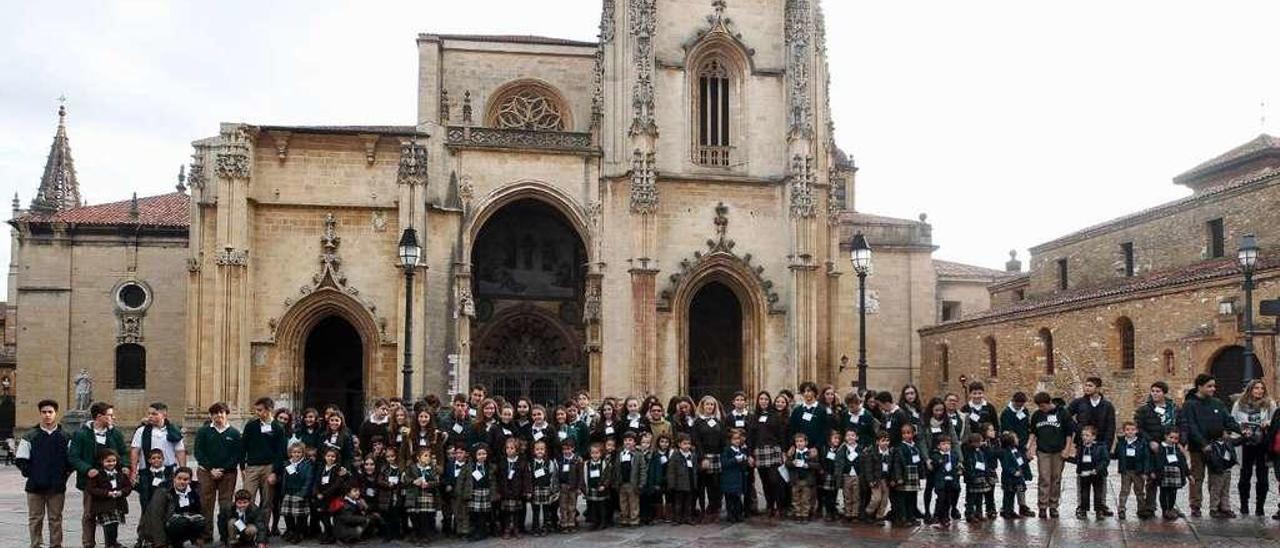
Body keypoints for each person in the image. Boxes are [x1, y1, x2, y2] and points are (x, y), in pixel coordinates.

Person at [69, 401, 131, 548]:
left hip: (112, 479)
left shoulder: (114, 433)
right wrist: (87, 469)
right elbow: (73, 457)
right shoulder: (81, 434)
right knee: (90, 513)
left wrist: (125, 466)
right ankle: (88, 543)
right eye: (109, 415)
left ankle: (111, 542)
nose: (113, 417)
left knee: (112, 511)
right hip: (91, 481)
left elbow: (123, 452)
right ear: (99, 416)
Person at [1180, 373, 1240, 518]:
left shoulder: (1217, 403)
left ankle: (1217, 506)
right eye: (1209, 386)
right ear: (1200, 386)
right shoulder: (1190, 404)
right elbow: (1191, 426)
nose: (1213, 389)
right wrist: (1202, 443)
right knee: (1197, 477)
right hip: (1198, 448)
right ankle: (1195, 506)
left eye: (1214, 386)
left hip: (1217, 448)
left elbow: (1228, 420)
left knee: (1217, 478)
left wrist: (1240, 430)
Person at [18, 399, 71, 548]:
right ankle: (36, 544)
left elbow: (71, 460)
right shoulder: (30, 435)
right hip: (35, 486)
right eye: (44, 412)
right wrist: (33, 474)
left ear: (55, 413)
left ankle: (56, 545)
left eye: (50, 412)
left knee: (55, 519)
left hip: (57, 486)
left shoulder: (65, 435)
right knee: (35, 518)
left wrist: (63, 475)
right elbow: (21, 459)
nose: (47, 415)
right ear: (40, 413)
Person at [1067, 377, 1116, 516]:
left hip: (1100, 444)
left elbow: (1111, 426)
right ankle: (1082, 506)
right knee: (1083, 475)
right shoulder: (1079, 403)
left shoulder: (1107, 405)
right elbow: (1066, 415)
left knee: (1101, 475)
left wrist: (1107, 444)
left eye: (1090, 385)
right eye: (1086, 385)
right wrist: (1077, 428)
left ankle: (1101, 505)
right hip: (1083, 444)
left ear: (1098, 388)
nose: (1087, 388)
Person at [1134, 381, 1177, 519]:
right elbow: (1139, 428)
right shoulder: (1144, 410)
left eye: (1158, 391)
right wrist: (1150, 441)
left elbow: (1181, 424)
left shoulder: (1173, 408)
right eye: (1153, 391)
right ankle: (1150, 506)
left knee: (1169, 478)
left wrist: (1180, 441)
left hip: (1170, 446)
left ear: (1164, 393)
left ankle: (1168, 507)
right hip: (1152, 447)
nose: (1155, 394)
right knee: (1152, 477)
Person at [241, 397, 286, 527]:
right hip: (253, 467)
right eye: (256, 410)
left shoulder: (277, 428)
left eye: (260, 410)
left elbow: (280, 452)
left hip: (269, 468)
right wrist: (242, 467)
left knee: (267, 501)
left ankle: (263, 530)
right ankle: (246, 529)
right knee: (246, 498)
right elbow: (243, 446)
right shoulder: (251, 426)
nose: (257, 412)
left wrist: (275, 472)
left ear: (269, 410)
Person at [1028, 391, 1073, 519]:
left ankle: (1053, 506)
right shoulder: (1037, 415)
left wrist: (1067, 449)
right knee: (1044, 478)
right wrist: (1029, 447)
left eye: (1043, 406)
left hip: (1058, 450)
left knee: (1056, 478)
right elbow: (1033, 432)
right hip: (1043, 451)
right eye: (1039, 407)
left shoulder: (1062, 413)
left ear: (1048, 403)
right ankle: (1042, 506)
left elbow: (1069, 433)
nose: (1042, 409)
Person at [1231, 378, 1273, 516]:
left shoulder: (1269, 404)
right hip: (1245, 443)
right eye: (1256, 388)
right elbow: (1233, 421)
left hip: (1263, 443)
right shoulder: (1239, 404)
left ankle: (1260, 506)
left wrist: (1268, 423)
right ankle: (1244, 505)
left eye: (1262, 388)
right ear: (1250, 390)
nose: (1259, 391)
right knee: (1245, 475)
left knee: (1263, 476)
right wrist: (1241, 429)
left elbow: (1275, 421)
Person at [138, 466, 205, 548]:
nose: (182, 482)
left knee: (199, 521)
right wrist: (160, 543)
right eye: (179, 478)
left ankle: (189, 541)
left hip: (183, 521)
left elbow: (200, 511)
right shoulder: (163, 491)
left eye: (185, 479)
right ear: (174, 478)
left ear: (190, 481)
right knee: (179, 522)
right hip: (166, 524)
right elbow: (156, 518)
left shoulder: (195, 490)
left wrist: (199, 537)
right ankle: (169, 542)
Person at [130, 402, 187, 489]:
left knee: (167, 498)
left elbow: (180, 451)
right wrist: (133, 471)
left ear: (164, 415)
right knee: (146, 499)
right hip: (146, 470)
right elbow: (135, 451)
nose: (150, 416)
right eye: (149, 414)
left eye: (154, 414)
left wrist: (183, 470)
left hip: (168, 470)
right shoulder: (141, 431)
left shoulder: (173, 431)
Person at [87, 449, 133, 548]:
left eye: (113, 461)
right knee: (108, 525)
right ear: (102, 462)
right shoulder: (98, 474)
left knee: (115, 524)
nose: (111, 463)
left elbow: (128, 487)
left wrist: (121, 492)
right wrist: (107, 493)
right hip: (104, 505)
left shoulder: (121, 473)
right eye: (108, 461)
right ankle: (109, 543)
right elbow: (92, 489)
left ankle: (114, 542)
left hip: (118, 503)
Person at [1113, 420, 1150, 520]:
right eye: (1127, 430)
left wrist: (1146, 471)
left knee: (1139, 491)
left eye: (1132, 430)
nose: (1130, 432)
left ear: (1136, 431)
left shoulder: (1142, 442)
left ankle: (1141, 509)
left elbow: (1146, 457)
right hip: (1126, 470)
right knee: (1124, 490)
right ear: (1124, 431)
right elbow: (1116, 454)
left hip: (1138, 471)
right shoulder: (1121, 442)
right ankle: (1121, 509)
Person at [888, 423, 923, 527]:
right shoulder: (900, 448)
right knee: (903, 498)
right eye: (904, 433)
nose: (906, 435)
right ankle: (903, 517)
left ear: (913, 434)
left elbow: (919, 461)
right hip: (904, 474)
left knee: (913, 496)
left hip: (914, 473)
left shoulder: (915, 447)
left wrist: (922, 473)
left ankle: (911, 516)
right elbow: (897, 464)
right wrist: (898, 477)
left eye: (908, 433)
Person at [460, 443, 496, 541]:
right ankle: (475, 530)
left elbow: (493, 481)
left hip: (485, 492)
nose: (482, 456)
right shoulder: (469, 467)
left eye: (484, 454)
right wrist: (461, 493)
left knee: (483, 513)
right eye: (479, 454)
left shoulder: (491, 466)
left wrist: (494, 494)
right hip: (474, 492)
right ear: (475, 455)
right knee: (474, 513)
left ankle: (482, 531)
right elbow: (462, 480)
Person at [1073, 425, 1109, 519]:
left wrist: (1097, 469)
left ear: (1094, 436)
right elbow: (1078, 459)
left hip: (1097, 473)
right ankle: (1084, 510)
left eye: (1087, 435)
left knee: (1098, 493)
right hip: (1084, 473)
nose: (1085, 437)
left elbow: (1105, 460)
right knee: (1084, 493)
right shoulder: (1081, 447)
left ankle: (1099, 510)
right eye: (1083, 435)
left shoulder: (1101, 447)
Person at [405, 447, 440, 542]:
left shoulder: (432, 468)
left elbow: (436, 481)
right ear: (418, 457)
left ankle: (424, 535)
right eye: (425, 456)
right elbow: (405, 479)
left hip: (427, 495)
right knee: (415, 516)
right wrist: (413, 481)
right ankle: (416, 534)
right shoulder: (412, 467)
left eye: (429, 456)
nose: (428, 458)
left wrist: (429, 484)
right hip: (415, 495)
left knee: (425, 516)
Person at [495, 437, 529, 538]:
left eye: (512, 448)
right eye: (507, 448)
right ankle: (506, 529)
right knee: (506, 512)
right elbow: (499, 477)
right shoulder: (502, 462)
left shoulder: (522, 462)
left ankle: (516, 528)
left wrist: (527, 490)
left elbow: (526, 477)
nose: (509, 450)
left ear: (517, 450)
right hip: (505, 490)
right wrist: (498, 490)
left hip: (517, 491)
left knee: (517, 512)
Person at [280, 443, 313, 542]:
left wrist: (302, 494)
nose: (296, 454)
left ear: (303, 453)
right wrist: (283, 492)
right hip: (289, 493)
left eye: (299, 452)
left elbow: (308, 480)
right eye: (294, 452)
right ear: (290, 453)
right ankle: (291, 531)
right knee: (287, 514)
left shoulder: (307, 464)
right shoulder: (287, 464)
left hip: (300, 493)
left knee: (300, 515)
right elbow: (284, 479)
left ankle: (299, 533)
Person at [1205, 430, 1239, 519]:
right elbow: (1211, 459)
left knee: (1225, 490)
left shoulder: (1227, 443)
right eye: (1226, 433)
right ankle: (1214, 508)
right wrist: (1217, 468)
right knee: (1216, 490)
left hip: (1227, 470)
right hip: (1217, 472)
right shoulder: (1212, 446)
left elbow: (1237, 444)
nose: (1228, 434)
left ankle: (1225, 507)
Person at [929, 435, 961, 529]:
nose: (946, 446)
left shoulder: (954, 454)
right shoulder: (936, 455)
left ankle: (946, 517)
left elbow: (956, 465)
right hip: (941, 482)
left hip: (952, 481)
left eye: (948, 444)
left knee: (949, 500)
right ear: (938, 446)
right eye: (943, 444)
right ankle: (938, 516)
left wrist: (959, 469)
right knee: (941, 499)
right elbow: (935, 465)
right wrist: (941, 460)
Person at [526, 439, 557, 535]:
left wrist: (553, 490)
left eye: (542, 449)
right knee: (535, 509)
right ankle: (535, 527)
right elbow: (529, 477)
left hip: (546, 488)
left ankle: (546, 526)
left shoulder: (550, 463)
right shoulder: (531, 463)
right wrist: (529, 490)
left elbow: (553, 476)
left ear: (545, 450)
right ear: (534, 451)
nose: (540, 451)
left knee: (546, 509)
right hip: (535, 489)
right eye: (537, 449)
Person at [997, 431, 1030, 520]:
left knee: (1013, 494)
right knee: (1008, 495)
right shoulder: (1005, 452)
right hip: (1009, 478)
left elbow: (1021, 461)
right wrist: (1013, 472)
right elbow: (1006, 465)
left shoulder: (1016, 450)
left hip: (1018, 478)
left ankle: (1011, 511)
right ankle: (1006, 510)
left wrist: (1027, 460)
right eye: (1015, 438)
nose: (1017, 440)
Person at [667, 433, 699, 525]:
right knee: (678, 503)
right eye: (685, 443)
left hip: (690, 482)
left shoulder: (692, 455)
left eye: (688, 443)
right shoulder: (675, 455)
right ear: (679, 444)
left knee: (689, 503)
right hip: (679, 484)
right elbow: (671, 471)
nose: (687, 446)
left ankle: (688, 517)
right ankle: (678, 518)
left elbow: (695, 468)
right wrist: (672, 483)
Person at [1157, 429, 1189, 520]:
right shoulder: (1161, 448)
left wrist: (1188, 474)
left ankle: (1170, 508)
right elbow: (1157, 462)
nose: (1173, 440)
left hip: (1175, 473)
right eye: (1171, 437)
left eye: (1176, 438)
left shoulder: (1177, 449)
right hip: (1164, 474)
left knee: (1173, 492)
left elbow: (1183, 462)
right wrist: (1155, 472)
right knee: (1163, 493)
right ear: (1166, 436)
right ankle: (1165, 510)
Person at [616, 431, 646, 526]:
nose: (627, 442)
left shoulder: (638, 455)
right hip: (622, 483)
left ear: (634, 442)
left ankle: (634, 519)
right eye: (625, 440)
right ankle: (624, 518)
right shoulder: (620, 454)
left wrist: (641, 483)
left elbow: (642, 469)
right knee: (623, 502)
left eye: (630, 440)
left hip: (633, 483)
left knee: (633, 503)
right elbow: (617, 468)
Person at [862, 431, 892, 523]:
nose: (885, 443)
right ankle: (868, 512)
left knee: (884, 499)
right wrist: (870, 480)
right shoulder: (872, 453)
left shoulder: (890, 452)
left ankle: (879, 516)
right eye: (883, 441)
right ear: (877, 442)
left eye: (887, 440)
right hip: (876, 479)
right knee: (876, 498)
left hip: (886, 479)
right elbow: (868, 468)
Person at [785, 432, 817, 522]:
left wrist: (808, 465)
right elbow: (787, 463)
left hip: (806, 480)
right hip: (796, 480)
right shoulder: (793, 453)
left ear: (806, 442)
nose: (799, 443)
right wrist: (792, 463)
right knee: (796, 498)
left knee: (806, 498)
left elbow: (817, 465)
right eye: (797, 441)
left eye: (801, 441)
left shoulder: (810, 453)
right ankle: (798, 514)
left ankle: (805, 514)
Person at [720, 429, 749, 523]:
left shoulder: (741, 449)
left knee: (737, 497)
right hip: (729, 478)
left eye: (738, 439)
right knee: (730, 499)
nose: (737, 441)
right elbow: (724, 463)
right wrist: (735, 460)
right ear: (730, 440)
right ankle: (731, 515)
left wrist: (744, 460)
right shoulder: (727, 450)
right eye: (735, 439)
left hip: (738, 478)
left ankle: (738, 514)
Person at [836, 428, 862, 522]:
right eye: (848, 435)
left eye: (852, 435)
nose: (850, 437)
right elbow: (839, 462)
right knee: (847, 495)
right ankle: (847, 513)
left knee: (856, 495)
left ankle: (855, 514)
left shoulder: (860, 448)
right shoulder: (843, 449)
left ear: (857, 437)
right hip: (846, 475)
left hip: (857, 475)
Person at [557, 438, 583, 532]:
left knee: (572, 506)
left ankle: (571, 522)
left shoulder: (577, 459)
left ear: (573, 448)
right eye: (564, 449)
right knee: (563, 506)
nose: (566, 451)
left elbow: (580, 475)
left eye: (568, 449)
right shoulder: (560, 459)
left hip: (573, 487)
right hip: (563, 486)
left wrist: (579, 487)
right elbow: (557, 473)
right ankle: (564, 522)